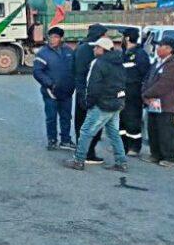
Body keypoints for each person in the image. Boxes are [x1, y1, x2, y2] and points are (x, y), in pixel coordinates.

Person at [64, 36, 128, 172]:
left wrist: (88, 102)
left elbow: (93, 86)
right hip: (115, 103)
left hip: (102, 104)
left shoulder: (98, 63)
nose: (94, 49)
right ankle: (121, 162)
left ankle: (78, 160)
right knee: (114, 133)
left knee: (86, 131)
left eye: (97, 47)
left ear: (103, 49)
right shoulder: (118, 62)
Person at [142, 36, 174, 167]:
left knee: (165, 131)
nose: (158, 48)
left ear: (169, 49)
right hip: (154, 104)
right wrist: (145, 93)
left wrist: (147, 93)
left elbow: (164, 85)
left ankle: (169, 157)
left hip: (166, 104)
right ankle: (155, 154)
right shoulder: (158, 61)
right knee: (153, 129)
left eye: (161, 46)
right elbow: (148, 78)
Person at [32, 26, 76, 150]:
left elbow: (74, 69)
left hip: (66, 92)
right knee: (51, 117)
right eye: (51, 37)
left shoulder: (68, 51)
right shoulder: (43, 53)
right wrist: (50, 84)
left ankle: (66, 140)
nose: (53, 39)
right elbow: (37, 72)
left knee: (66, 116)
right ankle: (52, 140)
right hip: (50, 92)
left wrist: (72, 85)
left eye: (56, 37)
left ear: (61, 38)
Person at [74, 23, 107, 165]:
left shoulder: (80, 48)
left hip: (80, 91)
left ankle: (81, 150)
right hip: (93, 93)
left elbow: (73, 69)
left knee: (80, 122)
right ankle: (89, 153)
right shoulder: (96, 51)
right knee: (93, 124)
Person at [120, 28, 151, 156]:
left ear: (127, 38)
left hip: (134, 94)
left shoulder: (140, 54)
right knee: (121, 121)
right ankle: (122, 146)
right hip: (122, 93)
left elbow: (145, 75)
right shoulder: (124, 53)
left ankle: (134, 147)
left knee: (132, 120)